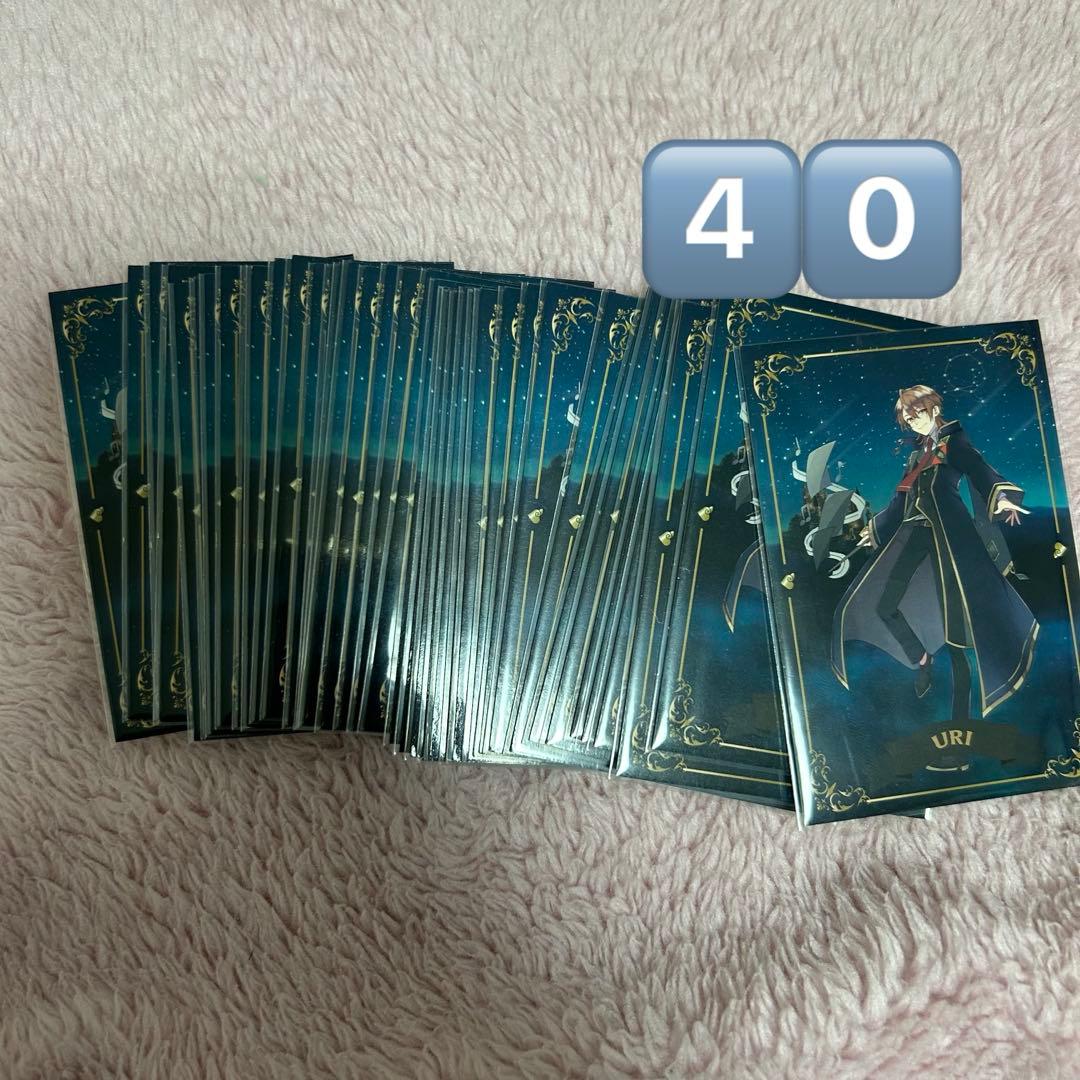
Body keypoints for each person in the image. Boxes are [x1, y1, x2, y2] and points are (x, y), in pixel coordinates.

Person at [831, 385, 1037, 721]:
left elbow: (978, 468)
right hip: (913, 533)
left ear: (934, 409)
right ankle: (922, 659)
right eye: (906, 417)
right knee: (884, 605)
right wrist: (874, 527)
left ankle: (962, 720)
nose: (911, 421)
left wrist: (1000, 498)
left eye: (915, 413)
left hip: (951, 540)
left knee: (957, 633)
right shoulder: (917, 457)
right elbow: (900, 501)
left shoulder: (954, 442)